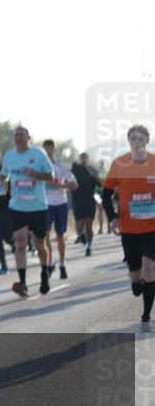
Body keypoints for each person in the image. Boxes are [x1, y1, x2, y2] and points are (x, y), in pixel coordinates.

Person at [101, 125, 155, 331]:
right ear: (129, 141)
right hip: (129, 230)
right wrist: (112, 217)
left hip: (152, 228)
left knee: (150, 268)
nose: (137, 141)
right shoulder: (119, 164)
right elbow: (105, 194)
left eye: (141, 138)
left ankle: (146, 315)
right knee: (136, 274)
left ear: (147, 141)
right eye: (133, 138)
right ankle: (135, 281)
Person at [0, 126, 54, 297]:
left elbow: (51, 177)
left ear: (29, 137)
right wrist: (5, 180)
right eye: (16, 135)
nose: (18, 137)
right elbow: (3, 174)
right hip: (17, 207)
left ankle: (44, 272)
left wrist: (35, 174)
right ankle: (22, 283)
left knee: (40, 245)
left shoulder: (38, 154)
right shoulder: (9, 156)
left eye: (22, 135)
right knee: (20, 244)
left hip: (38, 207)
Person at [42, 139, 78, 280]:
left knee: (60, 236)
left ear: (54, 150)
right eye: (46, 149)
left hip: (60, 203)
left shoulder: (61, 166)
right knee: (44, 235)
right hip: (45, 204)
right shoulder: (40, 166)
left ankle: (62, 264)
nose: (49, 151)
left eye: (51, 148)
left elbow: (74, 185)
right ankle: (50, 261)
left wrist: (60, 185)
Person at [70, 152, 103, 255]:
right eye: (82, 158)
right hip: (77, 200)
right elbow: (68, 180)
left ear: (88, 159)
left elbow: (100, 185)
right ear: (79, 159)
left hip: (89, 200)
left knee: (89, 225)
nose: (84, 159)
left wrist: (98, 178)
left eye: (86, 158)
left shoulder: (93, 170)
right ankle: (81, 234)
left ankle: (89, 247)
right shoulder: (74, 170)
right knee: (79, 225)